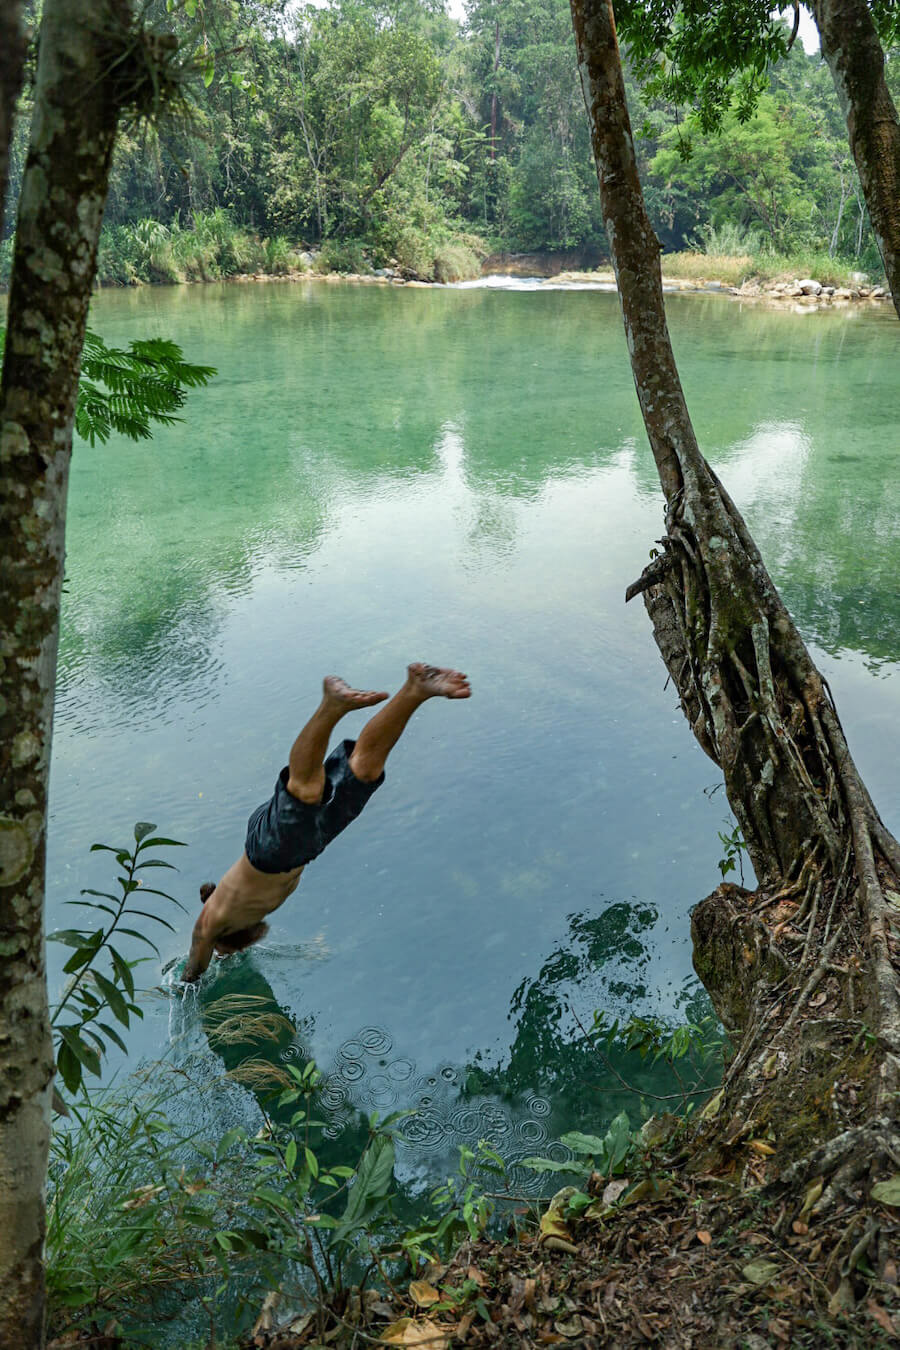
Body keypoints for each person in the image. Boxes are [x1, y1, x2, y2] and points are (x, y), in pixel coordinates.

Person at [181, 663, 471, 981]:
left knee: (305, 790)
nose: (225, 954)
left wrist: (186, 984)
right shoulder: (248, 912)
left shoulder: (215, 918)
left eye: (222, 951)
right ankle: (415, 690)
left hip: (269, 853)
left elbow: (196, 957)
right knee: (364, 768)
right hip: (307, 845)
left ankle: (330, 707)